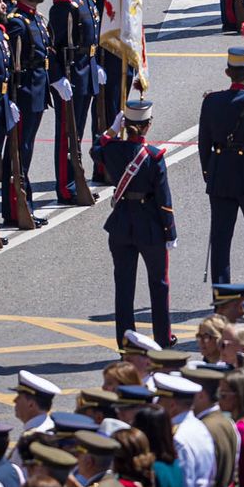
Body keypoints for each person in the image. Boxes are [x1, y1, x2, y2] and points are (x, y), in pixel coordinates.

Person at [96, 100, 175, 350]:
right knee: (158, 284)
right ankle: (162, 338)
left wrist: (111, 131)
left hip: (121, 225)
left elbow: (96, 149)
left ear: (125, 125)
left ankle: (126, 342)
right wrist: (170, 231)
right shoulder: (153, 157)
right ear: (148, 126)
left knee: (124, 287)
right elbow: (164, 200)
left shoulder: (113, 150)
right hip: (149, 227)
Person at [200, 23, 244, 285]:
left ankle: (221, 293)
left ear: (228, 72)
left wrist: (211, 173)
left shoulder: (211, 101)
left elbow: (203, 144)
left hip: (220, 176)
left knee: (220, 239)